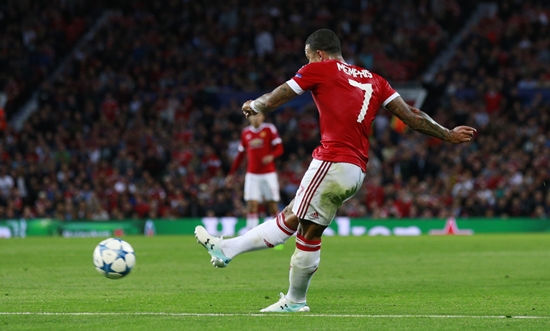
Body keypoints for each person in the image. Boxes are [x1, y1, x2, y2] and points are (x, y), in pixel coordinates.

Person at [195, 29, 476, 313]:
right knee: (303, 226)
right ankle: (282, 291)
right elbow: (413, 116)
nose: (308, 62)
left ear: (318, 53)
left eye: (308, 57)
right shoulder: (375, 79)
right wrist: (447, 134)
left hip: (332, 159)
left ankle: (241, 260)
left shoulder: (321, 69)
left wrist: (252, 105)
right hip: (355, 170)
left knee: (294, 219)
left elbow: (275, 97)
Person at [225, 111, 284, 231]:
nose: (255, 118)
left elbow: (279, 149)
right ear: (248, 118)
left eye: (258, 115)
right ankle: (252, 236)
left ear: (263, 116)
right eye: (253, 116)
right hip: (252, 175)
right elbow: (240, 156)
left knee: (272, 205)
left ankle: (278, 233)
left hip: (268, 174)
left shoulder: (269, 129)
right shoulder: (245, 132)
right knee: (252, 205)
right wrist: (231, 173)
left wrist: (271, 156)